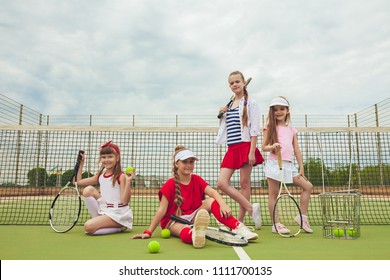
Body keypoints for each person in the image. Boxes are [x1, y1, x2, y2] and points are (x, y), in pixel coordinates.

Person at [132, 145, 258, 248]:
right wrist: (148, 232)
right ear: (176, 164)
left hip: (194, 215)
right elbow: (162, 210)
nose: (189, 165)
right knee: (184, 231)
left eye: (191, 162)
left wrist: (223, 204)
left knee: (211, 201)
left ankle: (238, 227)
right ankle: (195, 235)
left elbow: (213, 192)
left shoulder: (196, 179)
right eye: (185, 162)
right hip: (174, 221)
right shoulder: (170, 184)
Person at [215, 71, 264, 229]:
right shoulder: (228, 105)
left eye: (237, 81)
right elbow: (225, 127)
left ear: (244, 83)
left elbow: (255, 129)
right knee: (222, 183)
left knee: (244, 183)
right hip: (232, 148)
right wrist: (222, 113)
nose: (234, 84)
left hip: (245, 146)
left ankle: (239, 221)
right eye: (231, 83)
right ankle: (251, 208)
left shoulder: (251, 103)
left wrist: (251, 151)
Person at [261, 96, 313, 234]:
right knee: (273, 195)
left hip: (290, 166)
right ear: (272, 112)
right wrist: (273, 146)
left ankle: (302, 218)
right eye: (275, 109)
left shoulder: (292, 129)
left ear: (287, 111)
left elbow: (296, 149)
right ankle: (276, 224)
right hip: (274, 164)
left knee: (308, 187)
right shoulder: (268, 127)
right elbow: (263, 147)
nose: (278, 112)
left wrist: (301, 167)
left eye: (281, 109)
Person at [76, 140, 134, 235]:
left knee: (88, 227)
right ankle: (99, 221)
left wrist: (128, 182)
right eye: (103, 157)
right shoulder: (100, 175)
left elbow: (125, 201)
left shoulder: (121, 176)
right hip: (105, 210)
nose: (106, 160)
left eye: (110, 157)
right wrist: (81, 164)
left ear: (117, 158)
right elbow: (79, 182)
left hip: (118, 213)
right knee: (87, 190)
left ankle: (121, 226)